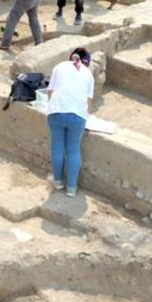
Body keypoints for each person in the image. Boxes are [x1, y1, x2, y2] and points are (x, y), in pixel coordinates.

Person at [46, 47, 94, 197]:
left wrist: (55, 105)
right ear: (87, 62)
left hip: (56, 111)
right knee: (73, 149)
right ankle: (71, 188)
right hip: (77, 115)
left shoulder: (59, 67)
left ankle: (58, 182)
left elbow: (50, 92)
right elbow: (88, 101)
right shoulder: (88, 74)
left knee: (57, 147)